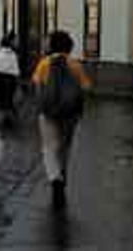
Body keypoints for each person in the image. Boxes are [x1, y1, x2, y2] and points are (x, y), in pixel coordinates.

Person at [31, 31, 92, 210]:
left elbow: (37, 86)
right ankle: (62, 177)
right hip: (70, 114)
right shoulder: (75, 65)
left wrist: (41, 104)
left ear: (52, 45)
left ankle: (55, 178)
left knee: (49, 147)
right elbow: (86, 88)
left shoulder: (44, 64)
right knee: (64, 147)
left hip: (48, 112)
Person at [0, 32, 20, 127]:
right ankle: (8, 118)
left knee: (1, 100)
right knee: (9, 100)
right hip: (10, 80)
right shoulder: (13, 55)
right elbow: (16, 71)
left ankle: (2, 118)